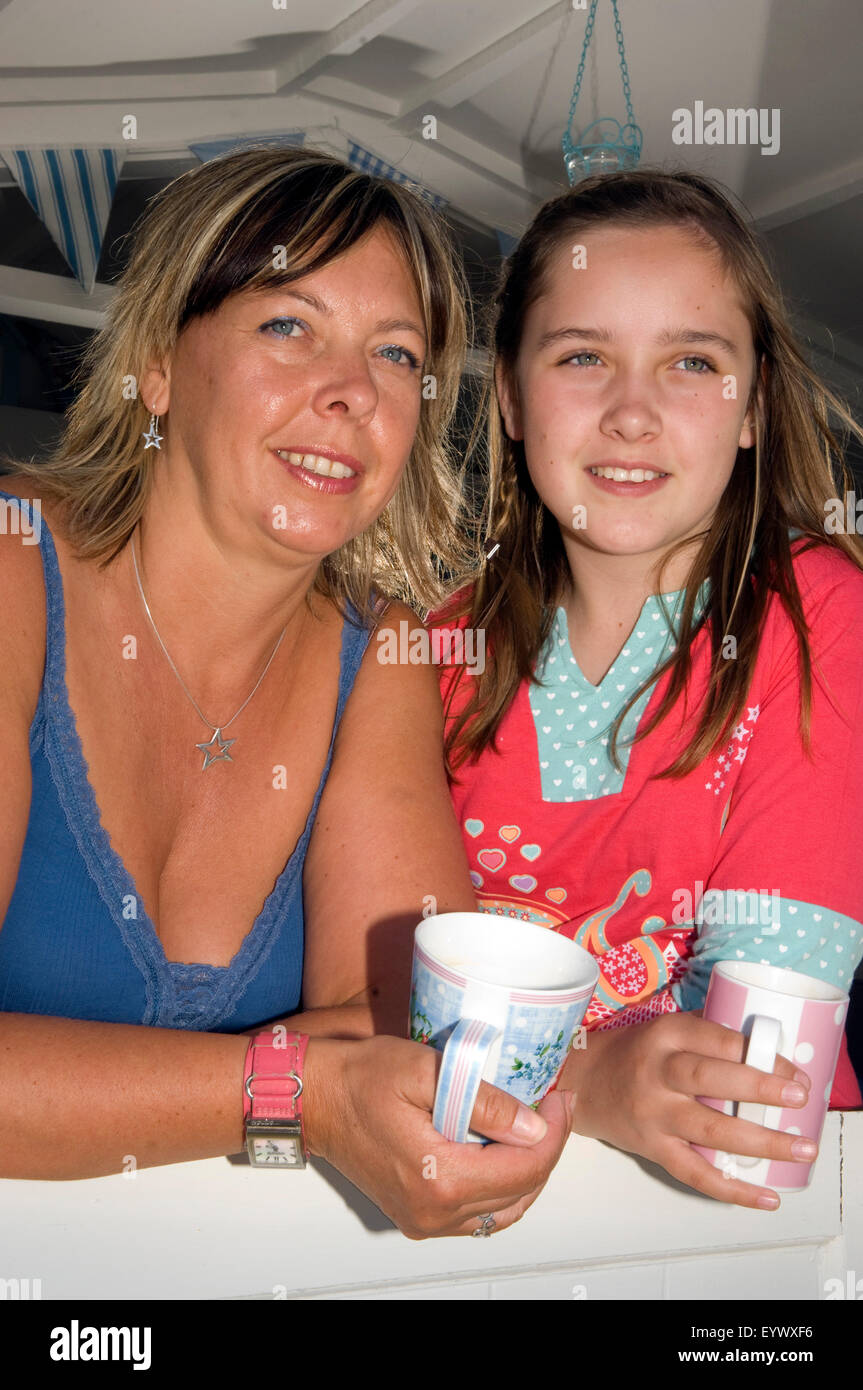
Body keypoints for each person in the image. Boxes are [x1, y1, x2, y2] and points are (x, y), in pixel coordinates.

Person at [0, 145, 575, 1240]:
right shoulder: (11, 570)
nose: (350, 391)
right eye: (286, 326)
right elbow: (346, 1070)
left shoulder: (381, 657)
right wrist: (296, 1092)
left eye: (395, 355)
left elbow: (413, 1036)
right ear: (160, 363)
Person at [432, 168, 863, 1210]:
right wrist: (584, 1084)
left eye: (689, 362)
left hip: (749, 1226)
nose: (630, 412)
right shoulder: (432, 650)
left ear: (752, 404)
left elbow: (758, 1083)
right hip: (466, 1219)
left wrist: (549, 1081)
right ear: (513, 397)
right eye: (582, 357)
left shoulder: (817, 619)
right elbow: (391, 1014)